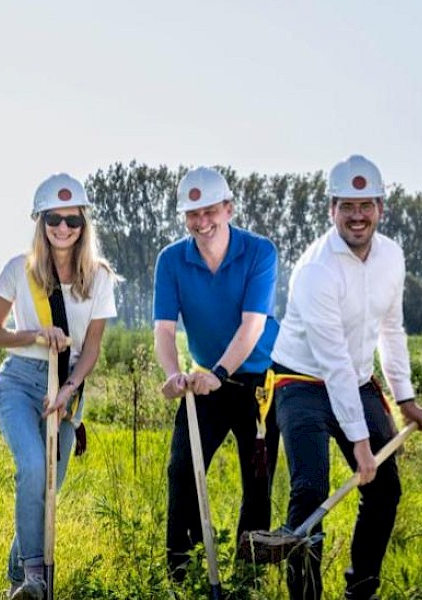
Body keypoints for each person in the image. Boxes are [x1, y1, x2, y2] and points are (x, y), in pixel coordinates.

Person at [271, 154, 422, 600]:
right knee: (309, 490)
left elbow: (391, 328)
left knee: (385, 491)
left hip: (358, 382)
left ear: (381, 207)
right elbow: (332, 363)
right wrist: (360, 444)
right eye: (347, 206)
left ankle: (360, 591)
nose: (357, 216)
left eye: (366, 205)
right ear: (332, 209)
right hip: (300, 382)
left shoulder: (392, 256)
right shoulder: (315, 271)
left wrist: (405, 399)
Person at [0, 173, 117, 599]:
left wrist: (70, 390)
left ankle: (18, 581)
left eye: (72, 221)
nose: (63, 228)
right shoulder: (19, 270)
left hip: (67, 387)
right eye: (54, 219)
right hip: (20, 382)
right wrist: (36, 335)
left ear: (83, 225)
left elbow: (91, 349)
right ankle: (36, 577)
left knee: (48, 486)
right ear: (41, 222)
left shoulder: (99, 278)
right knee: (34, 469)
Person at [153, 166, 282, 583]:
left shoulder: (260, 252)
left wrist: (221, 371)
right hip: (203, 379)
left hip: (259, 381)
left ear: (229, 208)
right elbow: (165, 330)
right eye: (193, 214)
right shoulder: (171, 260)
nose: (202, 222)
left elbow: (253, 326)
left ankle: (249, 572)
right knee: (181, 468)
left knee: (257, 476)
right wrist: (174, 374)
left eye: (210, 210)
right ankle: (181, 569)